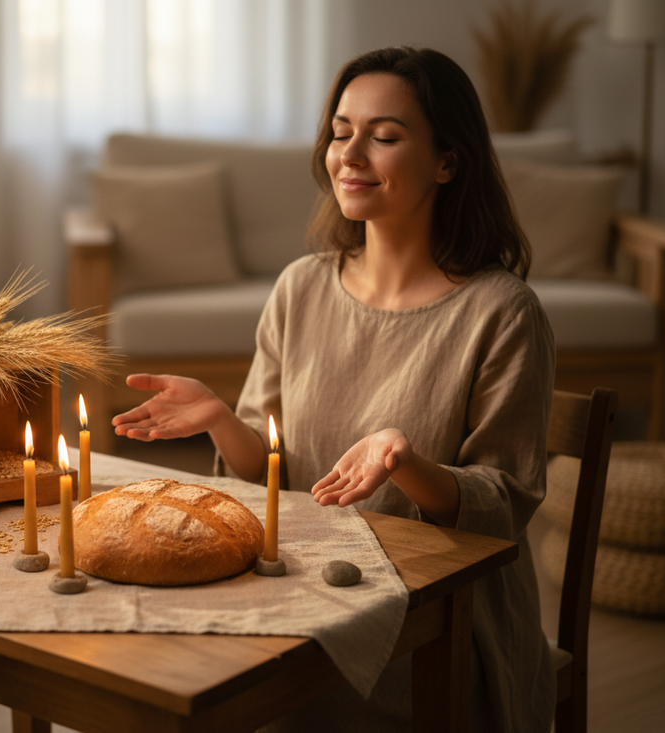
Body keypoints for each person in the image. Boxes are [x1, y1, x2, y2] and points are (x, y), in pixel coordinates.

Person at [111, 46, 556, 732]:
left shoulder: (503, 312)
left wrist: (404, 461)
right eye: (341, 132)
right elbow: (271, 473)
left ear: (447, 161)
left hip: (441, 623)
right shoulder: (300, 287)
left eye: (383, 136)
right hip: (304, 591)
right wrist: (223, 420)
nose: (350, 155)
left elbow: (501, 505)